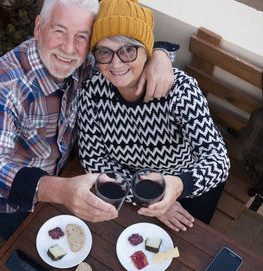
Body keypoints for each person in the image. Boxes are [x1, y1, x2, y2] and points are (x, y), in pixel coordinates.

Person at [0, 0, 176, 240]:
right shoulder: (3, 83)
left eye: (82, 37)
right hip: (1, 199)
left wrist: (160, 55)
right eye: (59, 31)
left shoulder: (87, 63)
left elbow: (128, 49)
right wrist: (61, 190)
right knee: (27, 245)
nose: (69, 49)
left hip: (60, 172)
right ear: (39, 27)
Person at [78, 0, 230, 232]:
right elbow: (95, 161)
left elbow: (218, 160)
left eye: (128, 50)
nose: (116, 63)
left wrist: (178, 186)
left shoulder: (180, 90)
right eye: (104, 51)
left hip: (189, 184)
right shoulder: (92, 92)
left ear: (146, 50)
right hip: (130, 187)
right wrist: (147, 198)